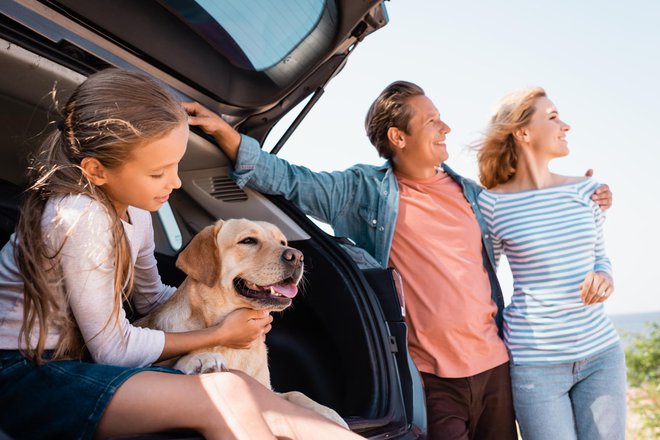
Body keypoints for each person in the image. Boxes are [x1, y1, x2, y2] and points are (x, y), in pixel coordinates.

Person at [183, 81, 612, 440]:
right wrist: (227, 135)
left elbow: (530, 217)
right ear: (398, 137)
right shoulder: (364, 192)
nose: (446, 127)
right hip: (433, 377)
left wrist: (584, 197)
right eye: (431, 121)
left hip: (496, 365)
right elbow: (292, 180)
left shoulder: (476, 197)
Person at [0, 68, 362, 440]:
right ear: (97, 171)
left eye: (177, 166)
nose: (174, 182)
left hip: (68, 364)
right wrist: (219, 333)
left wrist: (225, 306)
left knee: (240, 385)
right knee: (225, 394)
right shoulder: (81, 216)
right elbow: (114, 349)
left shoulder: (135, 214)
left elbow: (152, 299)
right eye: (159, 172)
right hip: (18, 372)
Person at [475, 87, 626, 439]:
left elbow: (600, 256)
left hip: (601, 354)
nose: (566, 126)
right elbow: (485, 282)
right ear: (523, 132)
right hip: (535, 365)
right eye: (553, 117)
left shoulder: (587, 190)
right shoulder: (492, 205)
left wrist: (605, 277)